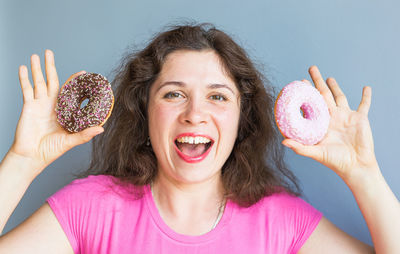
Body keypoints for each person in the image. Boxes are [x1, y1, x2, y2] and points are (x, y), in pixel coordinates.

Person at [0, 23, 398, 253]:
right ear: (145, 111)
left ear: (241, 118)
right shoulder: (90, 208)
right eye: (173, 94)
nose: (194, 113)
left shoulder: (280, 221)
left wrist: (364, 174)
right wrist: (23, 160)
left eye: (217, 96)